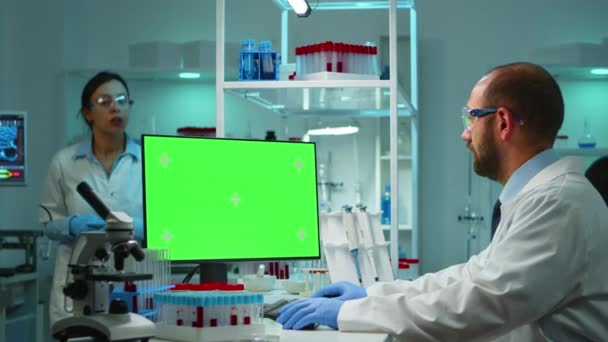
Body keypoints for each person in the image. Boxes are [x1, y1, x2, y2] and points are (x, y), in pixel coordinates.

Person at [277, 62, 608, 341]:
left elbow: (481, 302)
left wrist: (350, 313)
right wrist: (373, 295)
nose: (465, 134)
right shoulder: (542, 197)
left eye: (471, 118)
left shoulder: (559, 203)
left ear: (503, 122)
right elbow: (472, 277)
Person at [39, 71, 144, 327]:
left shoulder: (148, 161)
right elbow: (48, 222)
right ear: (87, 113)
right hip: (77, 285)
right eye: (104, 102)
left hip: (132, 279)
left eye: (121, 100)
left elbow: (166, 221)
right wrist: (72, 225)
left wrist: (137, 227)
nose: (115, 108)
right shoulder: (64, 162)